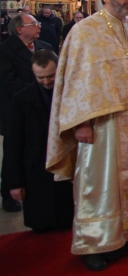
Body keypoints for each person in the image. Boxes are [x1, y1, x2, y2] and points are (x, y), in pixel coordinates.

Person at [46, 0, 128, 271]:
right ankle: (95, 242)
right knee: (102, 181)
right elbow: (76, 80)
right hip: (103, 122)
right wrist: (80, 123)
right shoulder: (84, 31)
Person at [4, 49, 73, 231]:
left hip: (68, 169)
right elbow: (13, 144)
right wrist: (13, 183)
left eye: (50, 76)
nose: (46, 81)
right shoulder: (21, 99)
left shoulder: (73, 94)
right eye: (40, 77)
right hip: (37, 172)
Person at [0, 12, 53, 212]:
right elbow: (8, 80)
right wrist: (35, 91)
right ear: (19, 29)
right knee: (14, 149)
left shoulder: (45, 47)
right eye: (34, 23)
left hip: (44, 108)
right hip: (17, 108)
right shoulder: (5, 50)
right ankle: (8, 192)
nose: (38, 26)